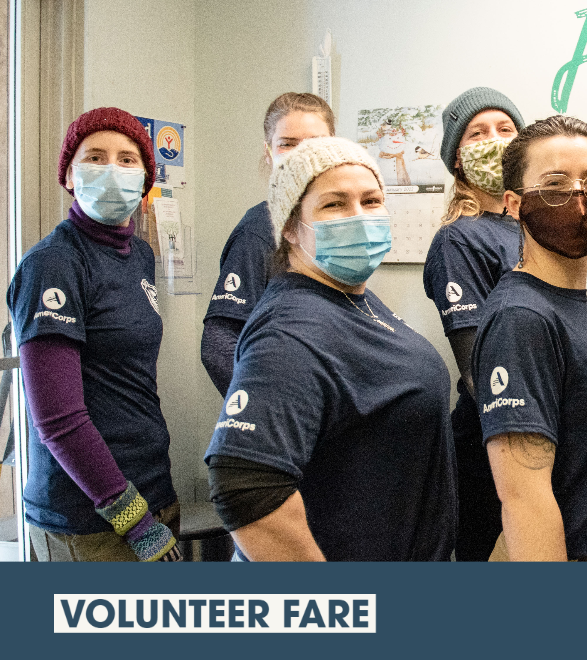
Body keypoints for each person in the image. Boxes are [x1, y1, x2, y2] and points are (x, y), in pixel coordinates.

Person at [205, 137, 456, 561]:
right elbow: (244, 487)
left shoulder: (350, 297)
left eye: (371, 200)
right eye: (334, 205)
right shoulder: (291, 328)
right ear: (289, 226)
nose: (358, 217)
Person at [474, 115, 587, 561]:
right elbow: (524, 500)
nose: (579, 200)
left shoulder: (575, 305)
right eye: (554, 186)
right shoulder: (521, 317)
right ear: (514, 204)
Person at [7, 107, 180, 561]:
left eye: (127, 160)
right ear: (69, 174)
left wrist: (153, 506)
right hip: (91, 518)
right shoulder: (53, 264)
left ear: (145, 178)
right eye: (96, 157)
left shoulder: (139, 256)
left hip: (153, 490)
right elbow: (58, 420)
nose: (112, 170)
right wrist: (134, 520)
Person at [422, 87, 524, 561]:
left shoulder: (536, 229)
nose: (495, 141)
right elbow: (478, 372)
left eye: (506, 129)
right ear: (457, 159)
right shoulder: (459, 241)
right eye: (478, 133)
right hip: (491, 443)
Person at [202, 93, 335, 396]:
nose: (302, 155)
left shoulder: (338, 225)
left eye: (314, 144)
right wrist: (273, 409)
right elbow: (219, 344)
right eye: (288, 143)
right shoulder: (260, 230)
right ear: (268, 152)